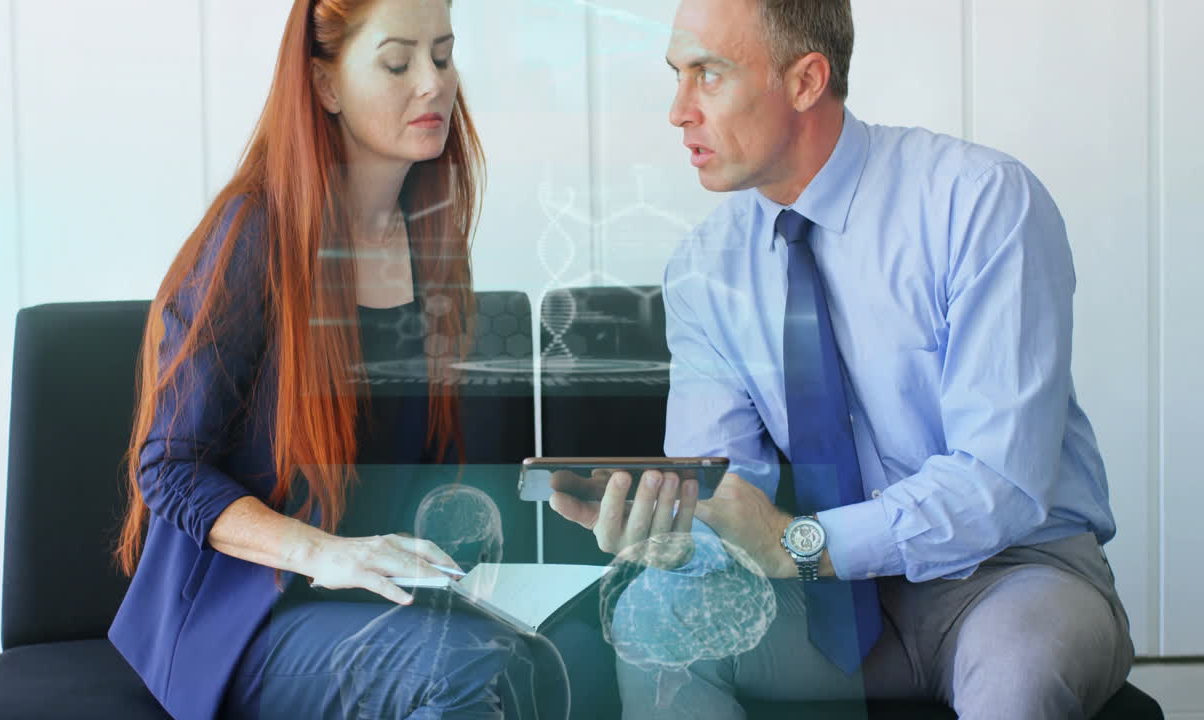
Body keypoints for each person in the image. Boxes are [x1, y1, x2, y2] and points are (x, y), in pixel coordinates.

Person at [549, 0, 1135, 718]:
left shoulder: (979, 202)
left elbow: (1001, 483)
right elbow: (730, 491)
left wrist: (802, 543)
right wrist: (675, 537)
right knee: (654, 616)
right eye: (677, 77)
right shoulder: (704, 268)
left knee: (1016, 676)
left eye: (708, 76)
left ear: (805, 82)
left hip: (1010, 576)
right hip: (823, 606)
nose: (678, 112)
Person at [109, 1, 561, 718]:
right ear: (324, 86)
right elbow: (167, 468)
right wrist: (322, 552)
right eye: (396, 62)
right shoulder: (252, 233)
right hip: (248, 614)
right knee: (462, 672)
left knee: (560, 650)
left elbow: (420, 469)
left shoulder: (429, 238)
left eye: (443, 56)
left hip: (372, 596)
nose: (432, 84)